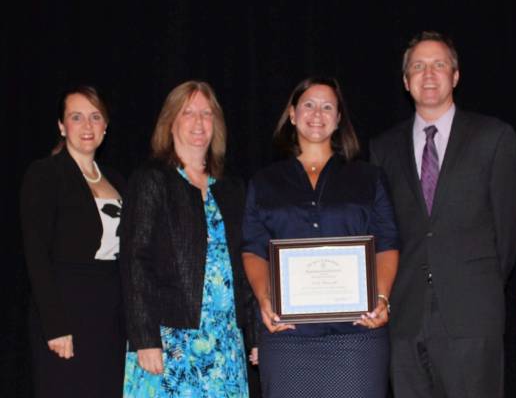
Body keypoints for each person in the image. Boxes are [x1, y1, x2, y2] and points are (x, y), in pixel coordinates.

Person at [370, 31, 516, 398]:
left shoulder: (494, 136)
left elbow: (508, 231)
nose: (429, 74)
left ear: (455, 76)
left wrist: (472, 280)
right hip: (406, 318)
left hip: (471, 314)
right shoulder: (382, 147)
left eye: (439, 65)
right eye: (418, 67)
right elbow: (383, 232)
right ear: (406, 81)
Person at [242, 77, 399, 398]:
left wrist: (381, 299)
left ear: (339, 118)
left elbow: (387, 242)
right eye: (309, 105)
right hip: (287, 336)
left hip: (357, 337)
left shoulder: (368, 177)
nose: (317, 113)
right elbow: (253, 248)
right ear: (292, 114)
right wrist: (264, 298)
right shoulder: (264, 181)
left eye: (328, 106)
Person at [120, 80, 256, 397]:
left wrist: (256, 337)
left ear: (216, 124)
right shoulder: (152, 180)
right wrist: (145, 338)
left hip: (225, 344)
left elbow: (247, 262)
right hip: (170, 341)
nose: (198, 122)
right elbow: (134, 261)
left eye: (206, 113)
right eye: (188, 112)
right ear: (170, 122)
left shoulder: (232, 188)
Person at [20, 86, 126, 397]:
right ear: (62, 126)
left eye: (95, 117)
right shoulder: (44, 174)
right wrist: (55, 326)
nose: (87, 126)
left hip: (110, 313)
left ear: (105, 126)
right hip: (66, 310)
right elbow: (36, 254)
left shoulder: (118, 179)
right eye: (76, 117)